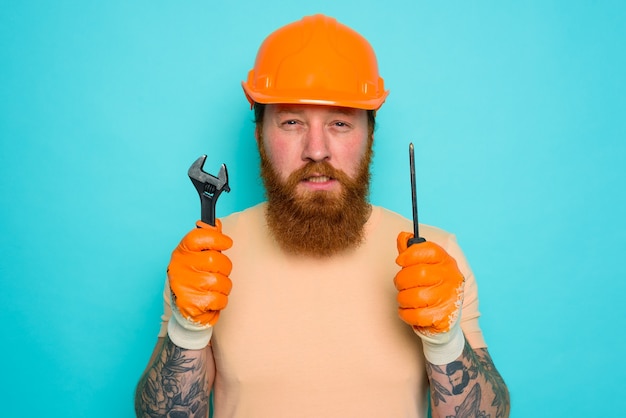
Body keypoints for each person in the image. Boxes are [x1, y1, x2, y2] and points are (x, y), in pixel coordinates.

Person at [135, 14, 510, 418]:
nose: (317, 149)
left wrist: (446, 341)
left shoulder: (436, 258)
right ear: (260, 135)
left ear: (369, 136)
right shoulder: (206, 256)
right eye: (292, 121)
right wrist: (187, 331)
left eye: (340, 123)